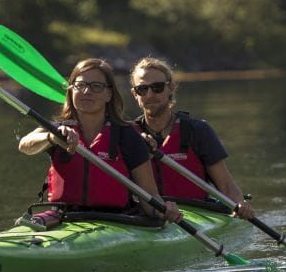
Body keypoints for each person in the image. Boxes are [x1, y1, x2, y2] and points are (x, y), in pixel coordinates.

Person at [18, 57, 182, 228]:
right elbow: (25, 145)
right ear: (71, 90)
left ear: (109, 94)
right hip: (65, 218)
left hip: (117, 220)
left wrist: (162, 209)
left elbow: (150, 196)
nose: (87, 91)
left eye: (96, 86)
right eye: (80, 85)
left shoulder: (128, 136)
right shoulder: (59, 130)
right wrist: (51, 138)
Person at [128, 57, 255, 220]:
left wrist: (239, 204)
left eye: (157, 87)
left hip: (199, 212)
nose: (150, 94)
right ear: (134, 94)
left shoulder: (198, 130)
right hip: (153, 213)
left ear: (171, 88)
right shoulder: (129, 134)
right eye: (142, 89)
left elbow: (226, 186)